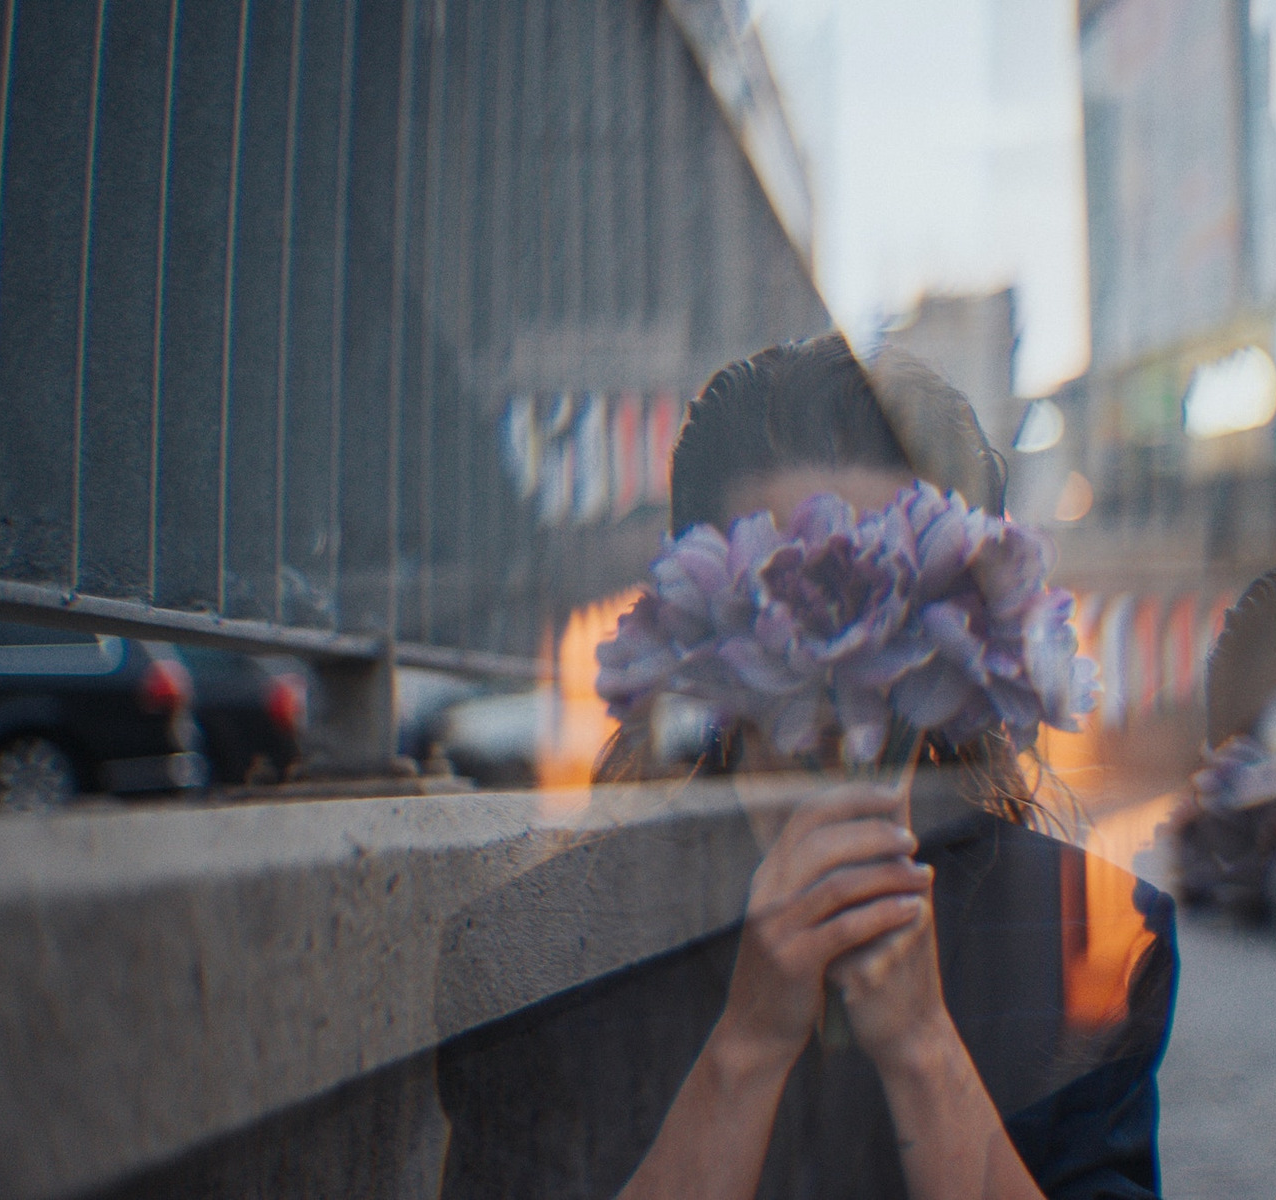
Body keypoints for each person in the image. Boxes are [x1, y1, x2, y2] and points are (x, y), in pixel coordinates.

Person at [436, 334, 1176, 1199]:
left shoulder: (1089, 942)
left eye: (897, 615)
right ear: (697, 631)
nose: (837, 679)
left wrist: (925, 1050)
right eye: (783, 603)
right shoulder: (539, 956)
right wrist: (747, 1046)